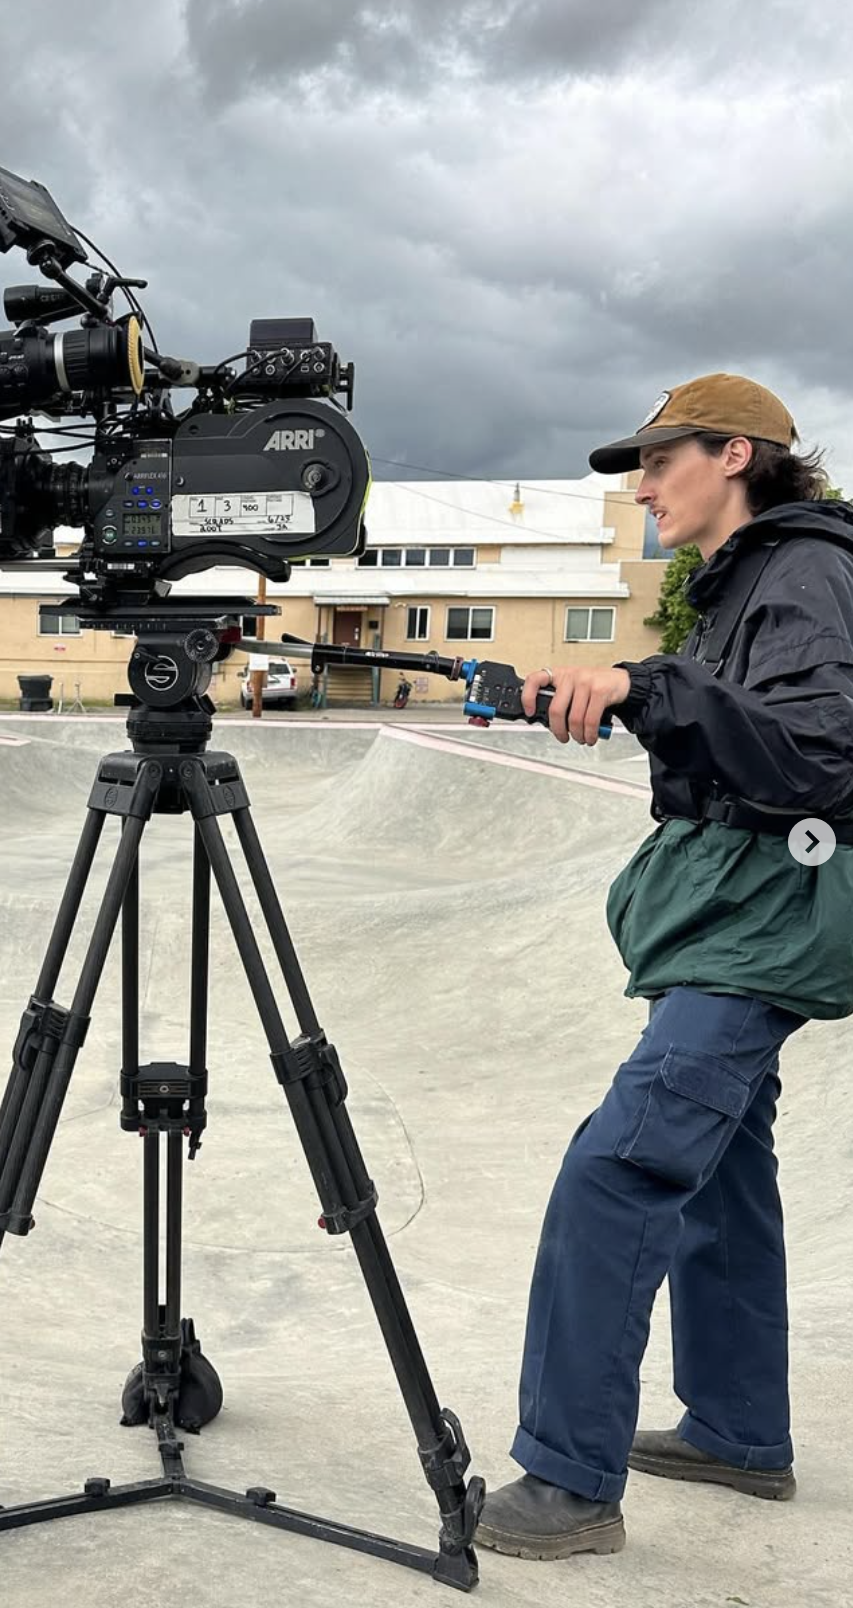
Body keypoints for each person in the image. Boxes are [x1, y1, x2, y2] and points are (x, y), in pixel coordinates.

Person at [474, 373, 853, 1561]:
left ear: (734, 454)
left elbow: (818, 754)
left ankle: (565, 1482)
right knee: (723, 1168)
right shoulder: (749, 579)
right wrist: (622, 694)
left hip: (765, 920)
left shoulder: (805, 573)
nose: (639, 488)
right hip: (742, 913)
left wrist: (650, 682)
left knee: (619, 1168)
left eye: (657, 461)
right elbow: (731, 730)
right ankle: (738, 1431)